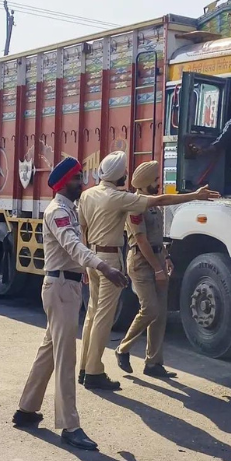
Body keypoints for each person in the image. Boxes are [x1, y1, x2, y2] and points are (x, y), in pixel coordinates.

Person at [13, 157, 129, 451]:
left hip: (66, 285)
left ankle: (26, 409)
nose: (82, 183)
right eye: (77, 179)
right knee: (66, 360)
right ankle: (70, 426)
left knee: (49, 351)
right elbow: (73, 245)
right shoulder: (58, 212)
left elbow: (74, 250)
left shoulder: (69, 209)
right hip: (61, 288)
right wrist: (104, 267)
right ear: (65, 183)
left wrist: (84, 270)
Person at [78, 151, 217, 390]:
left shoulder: (87, 195)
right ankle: (94, 371)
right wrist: (195, 196)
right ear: (118, 174)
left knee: (92, 315)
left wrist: (84, 262)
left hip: (92, 256)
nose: (126, 175)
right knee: (104, 317)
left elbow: (83, 230)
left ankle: (84, 368)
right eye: (124, 171)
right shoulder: (119, 198)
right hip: (110, 260)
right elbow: (160, 201)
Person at [113, 161, 177, 378]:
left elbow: (157, 237)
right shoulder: (135, 205)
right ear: (146, 182)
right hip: (141, 262)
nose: (159, 183)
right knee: (150, 309)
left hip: (157, 258)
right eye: (156, 180)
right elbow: (141, 240)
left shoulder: (153, 205)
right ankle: (123, 349)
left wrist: (166, 258)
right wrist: (157, 269)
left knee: (160, 314)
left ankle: (154, 363)